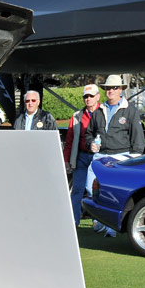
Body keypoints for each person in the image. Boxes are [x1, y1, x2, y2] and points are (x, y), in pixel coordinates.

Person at [84, 74, 145, 235]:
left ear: (121, 90)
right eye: (108, 88)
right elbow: (88, 134)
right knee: (91, 187)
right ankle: (101, 219)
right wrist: (90, 144)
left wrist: (136, 158)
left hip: (121, 157)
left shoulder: (130, 110)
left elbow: (138, 137)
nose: (111, 90)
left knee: (114, 194)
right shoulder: (98, 111)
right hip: (100, 157)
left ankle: (111, 227)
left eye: (114, 88)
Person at [63, 84, 101, 226]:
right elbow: (69, 140)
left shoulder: (104, 113)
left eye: (91, 96)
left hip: (98, 157)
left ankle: (97, 220)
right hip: (81, 156)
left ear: (97, 97)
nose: (88, 99)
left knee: (94, 189)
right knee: (77, 189)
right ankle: (74, 220)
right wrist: (66, 160)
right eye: (86, 96)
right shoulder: (77, 116)